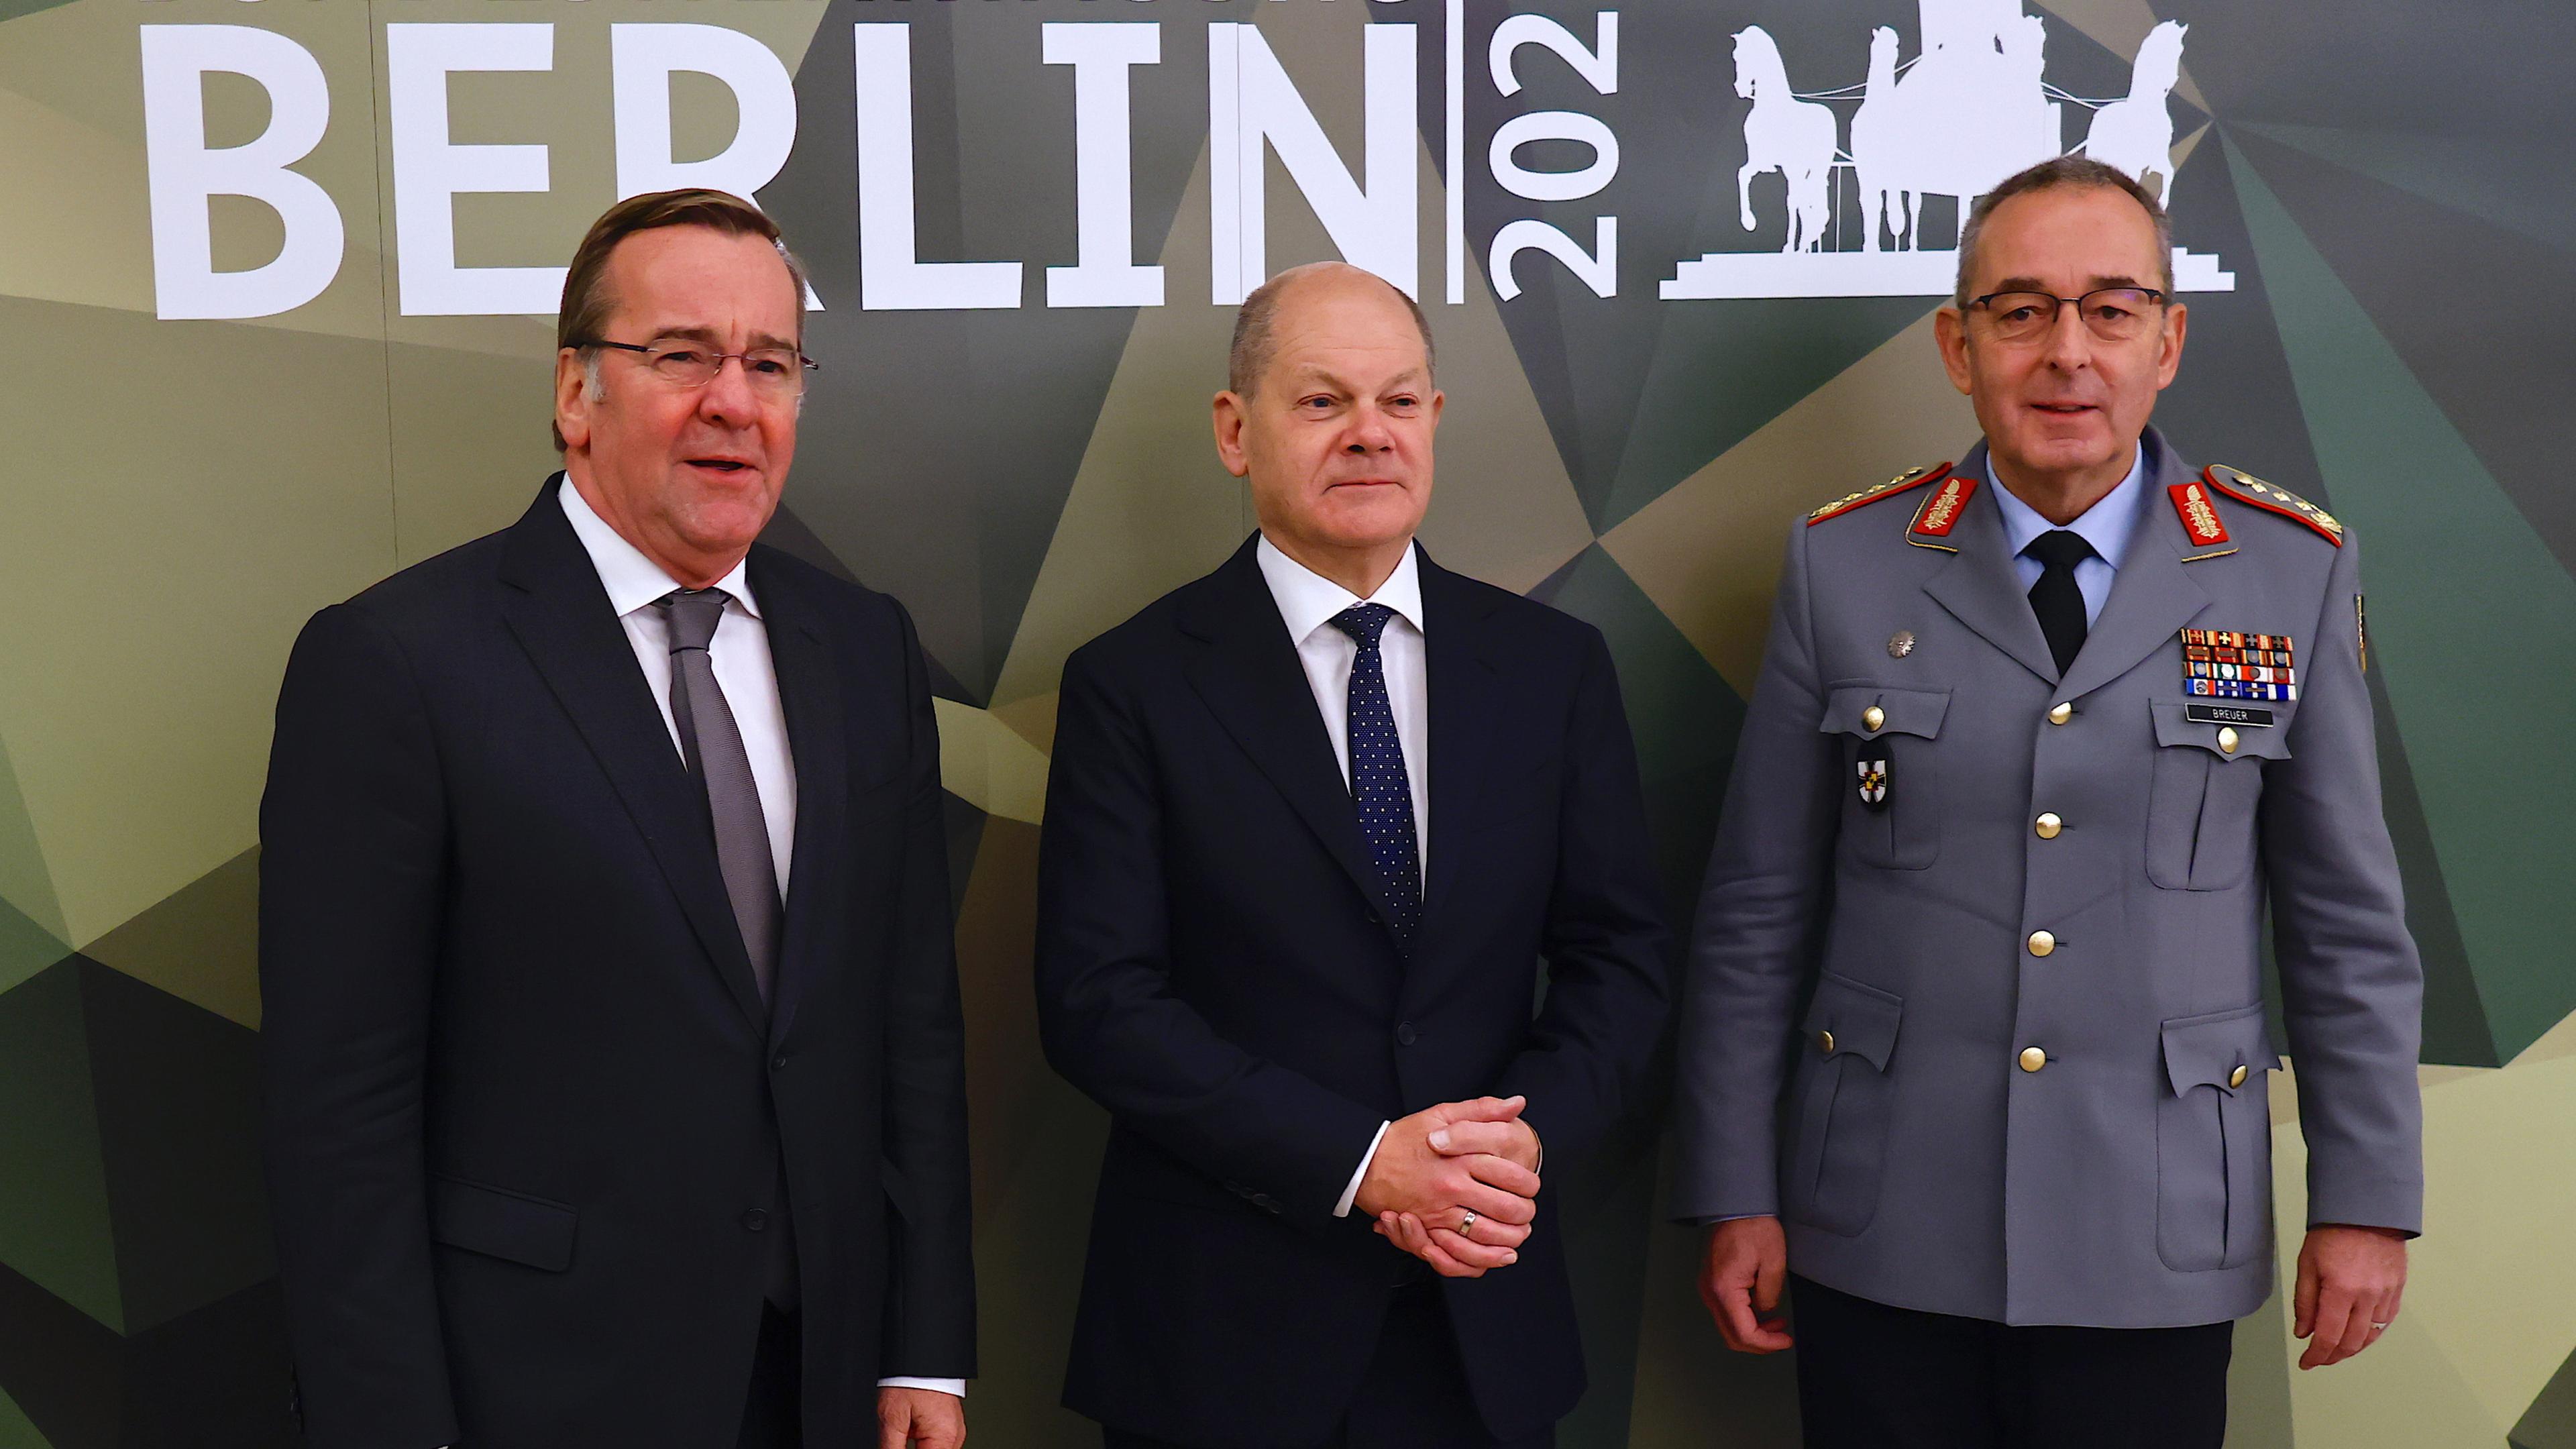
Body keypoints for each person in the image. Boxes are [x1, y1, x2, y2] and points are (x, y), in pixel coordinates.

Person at [1672, 156, 2424, 1448]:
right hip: (1885, 1224)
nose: (2067, 351)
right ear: (1956, 347)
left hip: (2155, 1229)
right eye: (2020, 311)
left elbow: (2346, 928)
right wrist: (1733, 1186)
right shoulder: (1845, 565)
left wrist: (2365, 1198)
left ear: (2167, 343)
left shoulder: (2286, 572)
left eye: (2111, 310)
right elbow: (1758, 911)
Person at [259, 189, 973, 1449]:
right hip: (536, 1386)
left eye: (770, 363)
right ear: (575, 393)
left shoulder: (864, 648)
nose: (733, 402)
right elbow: (340, 1110)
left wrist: (926, 1347)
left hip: (821, 1375)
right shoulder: (396, 663)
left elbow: (909, 1021)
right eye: (682, 356)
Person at [1034, 262, 1672, 1449]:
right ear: (1237, 431)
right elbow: (1098, 1002)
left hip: (1481, 1323)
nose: (1370, 434)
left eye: (1400, 401)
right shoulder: (1133, 683)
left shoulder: (1551, 669)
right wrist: (1365, 1162)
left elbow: (1620, 961)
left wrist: (1514, 1147)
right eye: (1323, 401)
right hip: (1222, 1342)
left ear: (1435, 419)